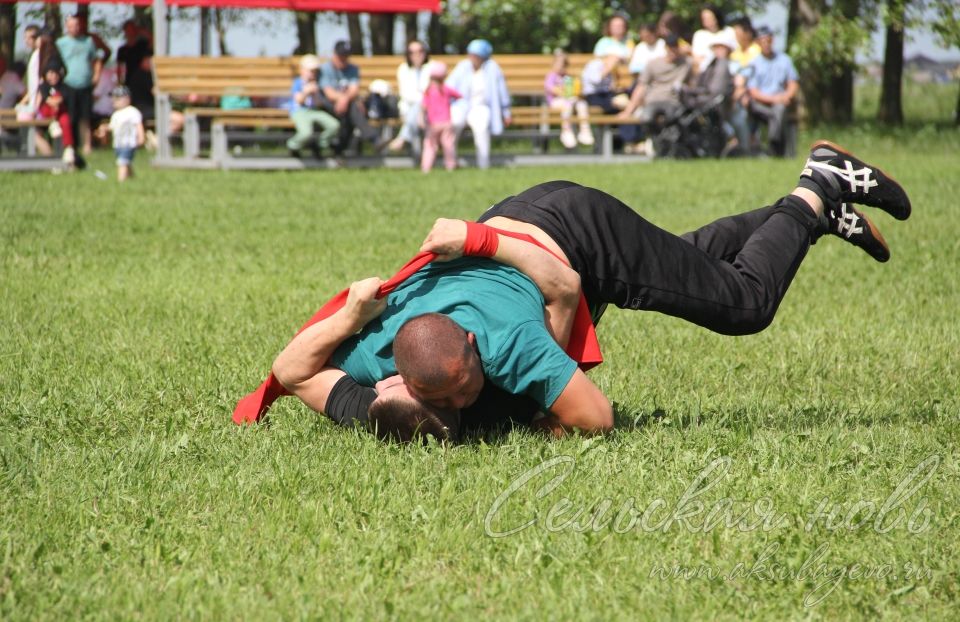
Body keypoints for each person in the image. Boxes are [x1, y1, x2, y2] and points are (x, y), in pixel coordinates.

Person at [265, 141, 911, 440]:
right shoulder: (379, 361)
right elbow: (290, 369)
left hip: (575, 240)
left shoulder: (503, 345)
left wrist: (481, 245)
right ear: (400, 381)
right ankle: (803, 219)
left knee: (741, 303)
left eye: (470, 378)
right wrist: (351, 318)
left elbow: (593, 411)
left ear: (466, 342)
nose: (474, 389)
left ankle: (817, 185)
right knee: (687, 267)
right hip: (530, 234)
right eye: (459, 398)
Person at [618, 34, 694, 153]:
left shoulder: (685, 64)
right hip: (654, 100)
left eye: (675, 47)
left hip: (672, 100)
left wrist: (688, 51)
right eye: (670, 48)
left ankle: (669, 147)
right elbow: (641, 87)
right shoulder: (653, 64)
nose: (673, 51)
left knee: (673, 118)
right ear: (666, 48)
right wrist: (629, 110)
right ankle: (655, 142)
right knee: (647, 118)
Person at [446, 39, 511, 170]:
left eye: (476, 55)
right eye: (471, 54)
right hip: (461, 104)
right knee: (454, 123)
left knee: (481, 127)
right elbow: (449, 87)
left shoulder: (492, 68)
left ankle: (483, 164)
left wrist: (506, 112)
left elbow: (502, 91)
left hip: (482, 106)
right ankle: (451, 161)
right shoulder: (463, 66)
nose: (472, 58)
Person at [319, 40, 383, 154]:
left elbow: (354, 89)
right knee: (353, 108)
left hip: (346, 106)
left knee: (352, 109)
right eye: (341, 55)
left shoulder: (352, 69)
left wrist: (345, 99)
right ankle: (373, 139)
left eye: (346, 56)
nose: (344, 59)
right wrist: (343, 98)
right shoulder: (325, 69)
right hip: (327, 105)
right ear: (334, 54)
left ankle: (339, 149)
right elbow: (328, 93)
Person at [745, 26, 799, 157]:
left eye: (768, 41)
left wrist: (786, 96)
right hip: (760, 103)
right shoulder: (754, 63)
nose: (766, 45)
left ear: (772, 41)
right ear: (758, 43)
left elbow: (793, 83)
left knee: (779, 109)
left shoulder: (784, 60)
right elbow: (753, 92)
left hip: (780, 101)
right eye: (762, 42)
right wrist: (775, 99)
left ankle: (772, 146)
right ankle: (775, 145)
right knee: (778, 112)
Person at [56, 14, 102, 168]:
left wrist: (96, 76)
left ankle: (87, 145)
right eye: (71, 25)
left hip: (85, 83)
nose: (74, 28)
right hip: (69, 83)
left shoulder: (88, 42)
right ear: (66, 27)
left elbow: (96, 60)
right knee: (71, 117)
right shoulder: (61, 43)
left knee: (86, 116)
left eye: (76, 25)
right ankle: (71, 145)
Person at [286, 54, 340, 158]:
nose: (313, 74)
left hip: (314, 111)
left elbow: (319, 104)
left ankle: (320, 144)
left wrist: (315, 94)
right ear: (302, 70)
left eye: (315, 71)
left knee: (334, 125)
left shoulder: (317, 84)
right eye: (311, 71)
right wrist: (306, 92)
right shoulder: (298, 83)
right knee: (306, 132)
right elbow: (298, 100)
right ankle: (293, 146)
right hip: (299, 111)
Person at [389, 39, 432, 153]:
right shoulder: (403, 69)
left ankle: (403, 138)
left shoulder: (431, 68)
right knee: (417, 109)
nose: (417, 55)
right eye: (412, 52)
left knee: (419, 107)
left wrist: (422, 102)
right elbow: (406, 94)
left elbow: (430, 93)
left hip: (429, 109)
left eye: (420, 51)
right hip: (408, 107)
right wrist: (421, 100)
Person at [544, 50, 594, 149]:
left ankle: (585, 130)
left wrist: (576, 92)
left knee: (582, 104)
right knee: (567, 106)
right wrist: (564, 93)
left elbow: (572, 92)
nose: (561, 67)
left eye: (564, 65)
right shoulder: (551, 76)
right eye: (559, 64)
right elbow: (551, 88)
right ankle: (566, 131)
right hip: (556, 101)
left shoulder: (567, 77)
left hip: (569, 101)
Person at [419, 62, 460, 173]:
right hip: (446, 122)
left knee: (430, 146)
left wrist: (421, 119)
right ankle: (450, 166)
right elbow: (459, 95)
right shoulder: (446, 89)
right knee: (448, 145)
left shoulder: (428, 91)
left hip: (432, 124)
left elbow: (423, 107)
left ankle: (426, 168)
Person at [34, 60, 75, 166]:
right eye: (50, 73)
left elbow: (60, 100)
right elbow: (45, 100)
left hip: (60, 115)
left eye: (56, 73)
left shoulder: (64, 87)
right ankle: (50, 157)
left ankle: (68, 148)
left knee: (65, 122)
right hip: (45, 117)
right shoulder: (43, 87)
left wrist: (55, 101)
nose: (53, 76)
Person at [116, 19, 154, 121]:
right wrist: (120, 82)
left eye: (133, 29)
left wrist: (144, 32)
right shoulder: (123, 50)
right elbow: (119, 67)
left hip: (144, 78)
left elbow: (153, 42)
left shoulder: (142, 45)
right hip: (130, 79)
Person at [108, 85, 144, 181]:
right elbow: (112, 127)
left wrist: (141, 138)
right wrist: (104, 130)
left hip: (128, 143)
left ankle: (121, 181)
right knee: (125, 162)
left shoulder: (132, 112)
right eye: (113, 98)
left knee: (122, 162)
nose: (114, 101)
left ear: (127, 99)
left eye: (117, 99)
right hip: (118, 144)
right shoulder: (116, 114)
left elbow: (138, 125)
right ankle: (132, 178)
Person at [690, 5, 736, 71]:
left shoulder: (729, 31)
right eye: (704, 18)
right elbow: (697, 58)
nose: (707, 21)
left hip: (727, 69)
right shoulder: (699, 35)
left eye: (710, 18)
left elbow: (735, 52)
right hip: (707, 72)